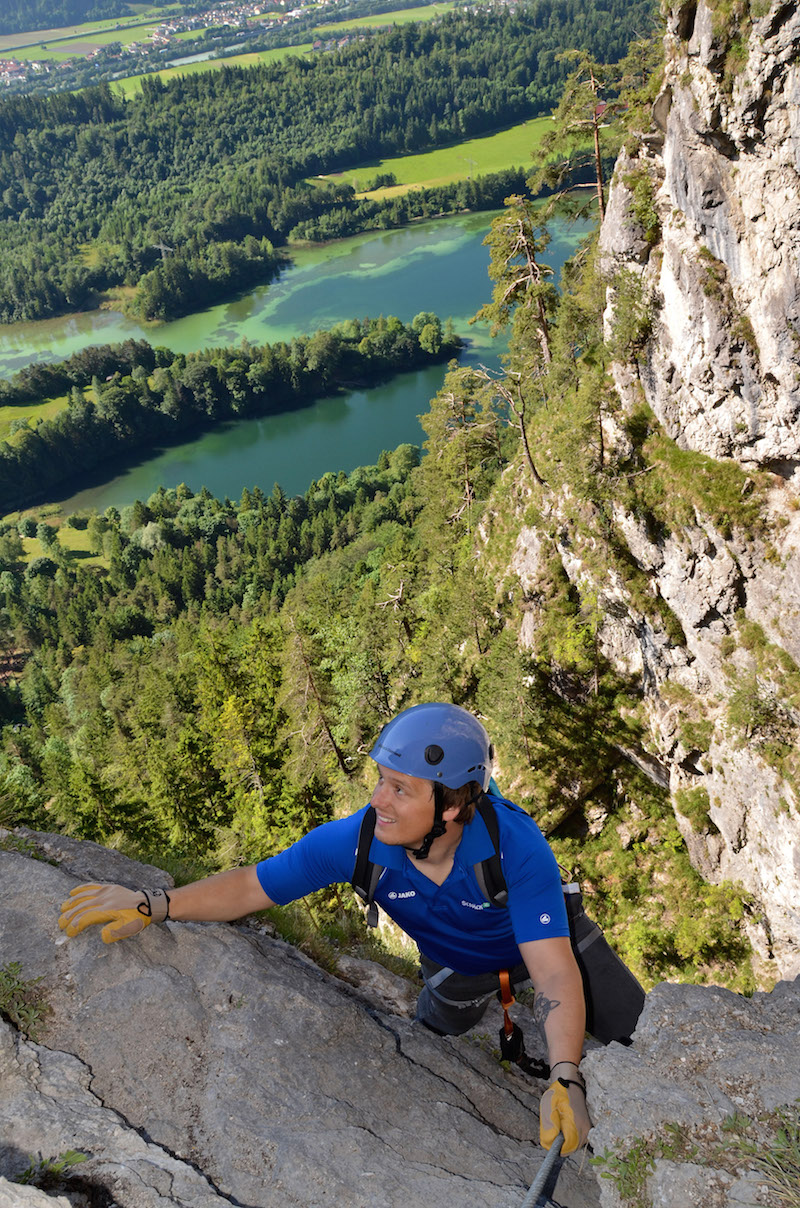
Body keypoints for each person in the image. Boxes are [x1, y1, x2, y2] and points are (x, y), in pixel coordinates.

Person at [59, 702, 592, 1154]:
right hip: (459, 967)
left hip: (555, 947)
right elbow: (252, 887)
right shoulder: (358, 844)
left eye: (400, 790)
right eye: (380, 781)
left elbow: (551, 971)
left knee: (636, 1031)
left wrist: (565, 1071)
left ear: (452, 805)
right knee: (436, 1034)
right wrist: (155, 904)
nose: (378, 800)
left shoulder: (516, 849)